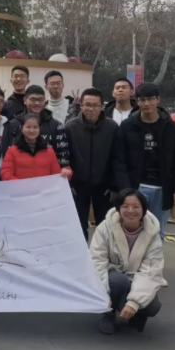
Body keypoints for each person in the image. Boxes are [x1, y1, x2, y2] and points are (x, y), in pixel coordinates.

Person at [114, 83, 175, 240]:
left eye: (151, 99)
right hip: (136, 187)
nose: (146, 104)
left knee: (157, 232)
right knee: (132, 231)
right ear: (137, 101)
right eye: (142, 99)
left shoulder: (171, 127)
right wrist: (126, 190)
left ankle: (154, 257)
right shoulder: (127, 126)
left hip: (162, 188)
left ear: (158, 100)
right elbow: (120, 161)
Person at [90, 189, 164, 335]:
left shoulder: (153, 234)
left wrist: (134, 303)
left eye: (136, 206)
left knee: (153, 306)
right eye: (125, 206)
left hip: (137, 278)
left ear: (143, 209)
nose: (130, 211)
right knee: (118, 281)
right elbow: (97, 262)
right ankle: (107, 314)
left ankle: (136, 315)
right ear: (118, 208)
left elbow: (151, 271)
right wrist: (102, 295)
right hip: (113, 277)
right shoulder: (104, 228)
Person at [65, 88, 119, 239]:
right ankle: (81, 254)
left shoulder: (112, 127)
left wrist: (113, 185)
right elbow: (64, 157)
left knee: (105, 228)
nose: (91, 109)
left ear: (102, 106)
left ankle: (103, 254)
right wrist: (69, 184)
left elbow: (117, 157)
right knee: (78, 228)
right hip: (77, 187)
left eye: (95, 105)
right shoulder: (70, 127)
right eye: (87, 105)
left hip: (104, 187)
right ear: (81, 105)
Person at [10, 85, 70, 169]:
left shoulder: (56, 125)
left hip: (48, 174)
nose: (37, 103)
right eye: (33, 99)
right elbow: (7, 154)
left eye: (41, 100)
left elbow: (63, 154)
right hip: (20, 174)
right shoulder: (13, 124)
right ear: (25, 100)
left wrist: (63, 171)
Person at [1, 114, 71, 180]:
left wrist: (66, 172)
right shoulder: (12, 151)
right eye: (28, 127)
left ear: (40, 129)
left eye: (35, 127)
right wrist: (20, 185)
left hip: (44, 189)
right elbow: (5, 173)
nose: (32, 131)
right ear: (21, 128)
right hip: (20, 188)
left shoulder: (49, 151)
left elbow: (56, 174)